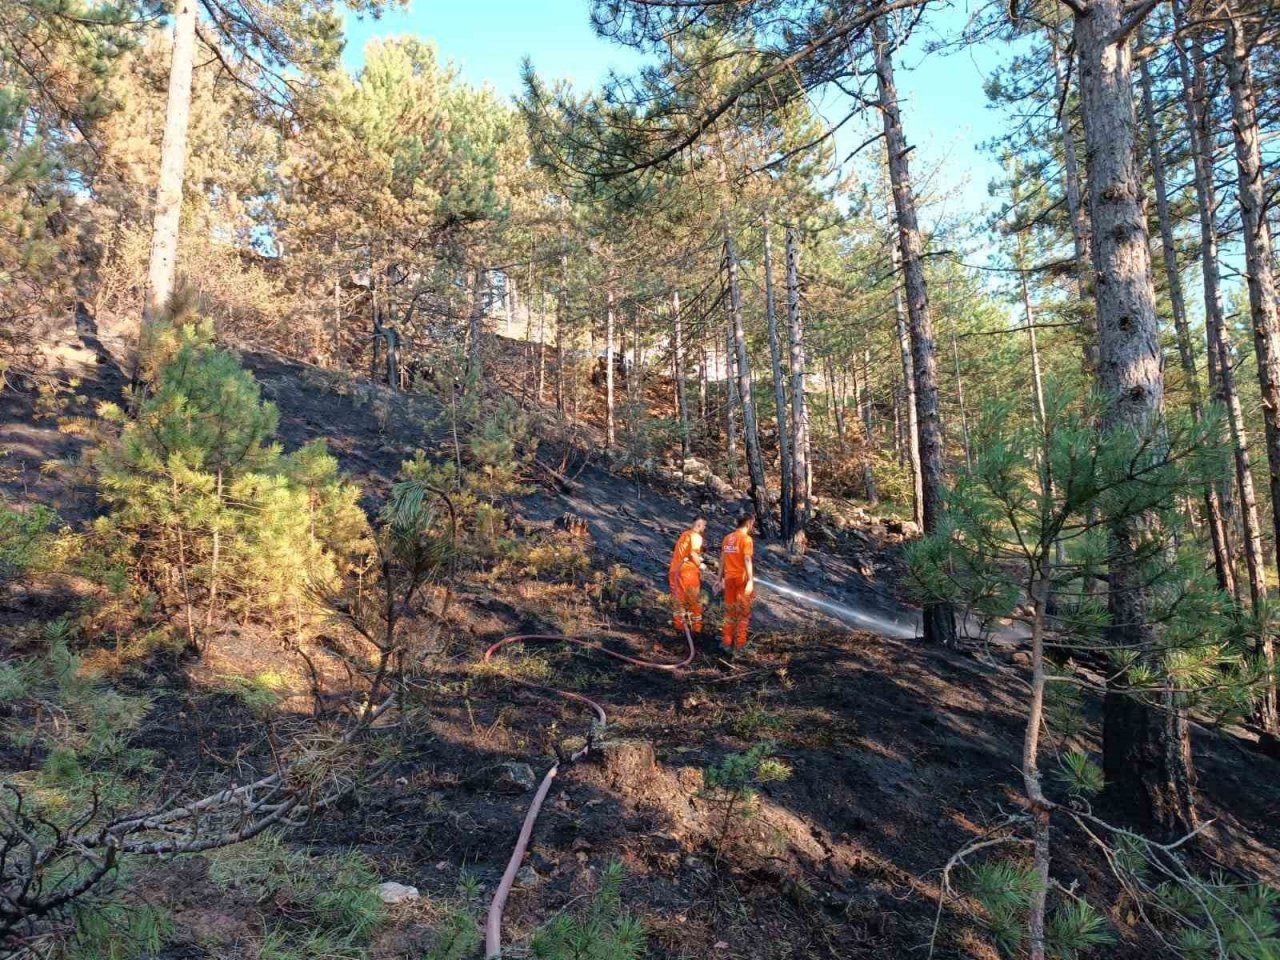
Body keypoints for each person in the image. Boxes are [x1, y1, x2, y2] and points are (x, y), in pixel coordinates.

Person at [716, 512, 756, 653]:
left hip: (729, 579)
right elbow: (747, 559)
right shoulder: (746, 539)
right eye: (752, 524)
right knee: (743, 612)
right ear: (749, 523)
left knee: (730, 611)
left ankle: (726, 642)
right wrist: (750, 580)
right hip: (742, 580)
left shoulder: (727, 538)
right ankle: (740, 644)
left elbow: (722, 560)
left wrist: (718, 579)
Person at [668, 515, 708, 635]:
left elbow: (685, 552)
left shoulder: (685, 534)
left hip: (675, 570)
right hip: (687, 572)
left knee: (678, 598)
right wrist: (700, 564)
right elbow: (692, 553)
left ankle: (679, 627)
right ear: (699, 525)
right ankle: (696, 629)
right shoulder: (696, 536)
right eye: (704, 526)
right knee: (693, 599)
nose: (705, 528)